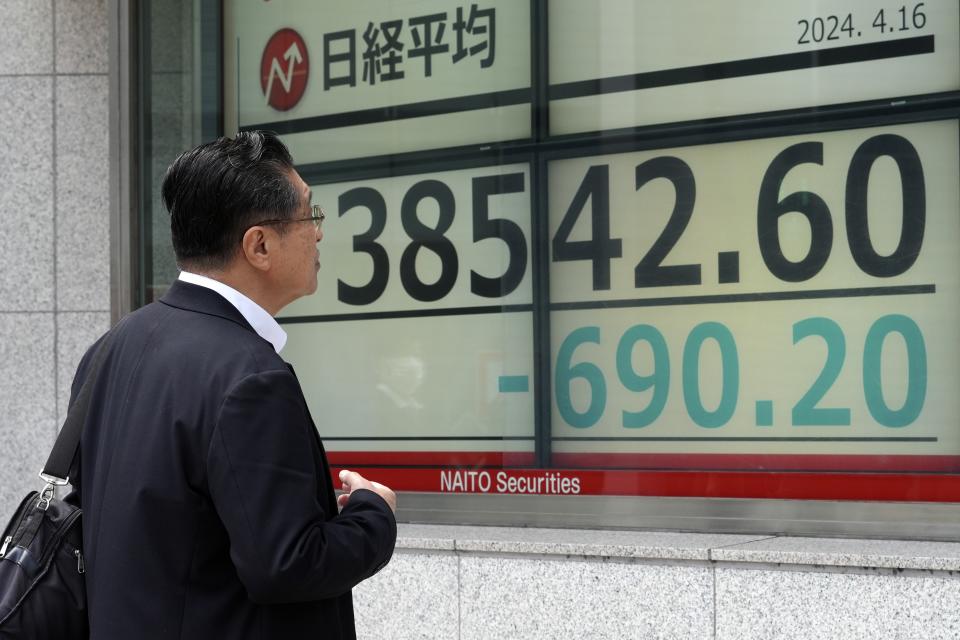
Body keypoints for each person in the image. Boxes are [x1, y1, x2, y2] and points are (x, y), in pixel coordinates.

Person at [66, 131, 397, 639]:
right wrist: (374, 517)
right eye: (310, 214)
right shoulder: (250, 377)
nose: (320, 233)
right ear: (259, 245)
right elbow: (287, 565)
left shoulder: (111, 347)